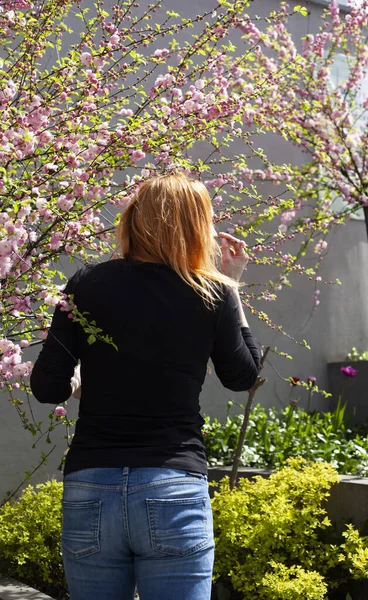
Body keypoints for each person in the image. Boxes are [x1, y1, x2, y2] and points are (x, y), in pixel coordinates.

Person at [30, 174, 260, 600]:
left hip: (91, 487)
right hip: (173, 482)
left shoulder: (85, 284)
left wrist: (81, 384)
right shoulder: (211, 292)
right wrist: (232, 284)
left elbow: (47, 387)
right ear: (194, 226)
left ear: (134, 219)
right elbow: (242, 377)